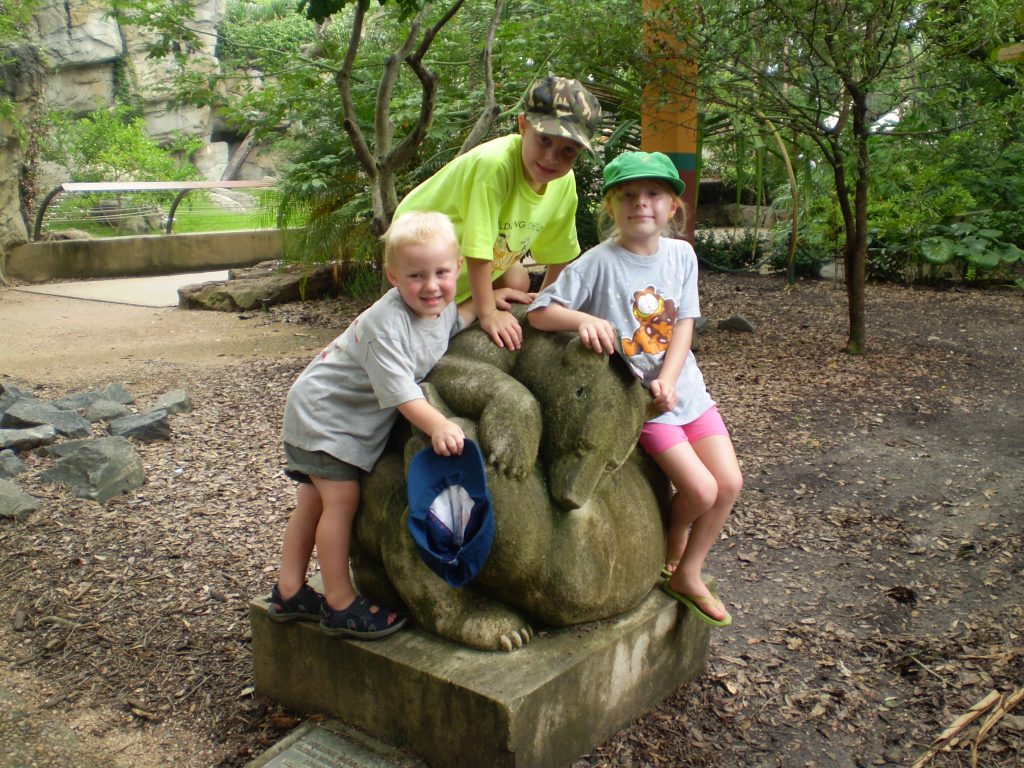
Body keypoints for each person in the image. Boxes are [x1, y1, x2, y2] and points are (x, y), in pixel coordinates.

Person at [527, 151, 743, 627]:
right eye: (628, 195)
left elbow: (685, 321)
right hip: (642, 406)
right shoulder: (599, 263)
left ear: (672, 207)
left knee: (728, 484)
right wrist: (586, 319)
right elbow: (540, 312)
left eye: (653, 195)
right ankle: (673, 534)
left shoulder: (682, 254)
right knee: (702, 492)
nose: (640, 204)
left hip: (687, 391)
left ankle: (688, 572)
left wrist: (669, 376)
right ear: (610, 206)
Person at [269, 211, 483, 639]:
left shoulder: (436, 309)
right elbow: (404, 394)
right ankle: (340, 602)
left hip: (333, 416)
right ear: (392, 276)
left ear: (458, 268)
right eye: (416, 275)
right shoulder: (384, 326)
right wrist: (439, 423)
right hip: (324, 416)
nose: (431, 286)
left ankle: (289, 590)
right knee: (341, 501)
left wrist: (498, 297)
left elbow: (461, 317)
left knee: (312, 501)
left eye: (441, 272)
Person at [393, 75, 601, 352]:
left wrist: (544, 304)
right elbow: (477, 250)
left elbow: (560, 254)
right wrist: (488, 312)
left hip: (472, 262)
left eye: (568, 151)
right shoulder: (495, 166)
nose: (552, 158)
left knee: (518, 281)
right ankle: (454, 313)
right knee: (420, 338)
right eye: (544, 141)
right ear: (523, 126)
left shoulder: (563, 182)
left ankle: (471, 304)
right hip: (420, 248)